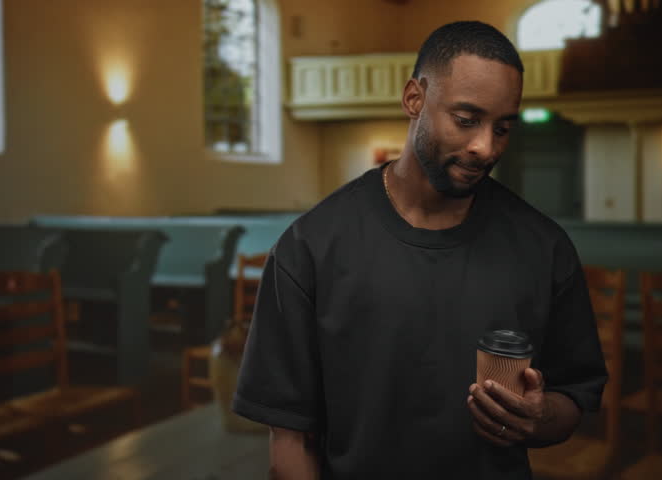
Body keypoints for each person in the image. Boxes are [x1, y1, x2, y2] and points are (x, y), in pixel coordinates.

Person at [233, 21, 607, 480]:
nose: (485, 147)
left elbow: (574, 396)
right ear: (414, 98)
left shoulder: (544, 247)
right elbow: (290, 440)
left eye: (503, 128)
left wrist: (537, 416)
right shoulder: (311, 246)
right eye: (467, 120)